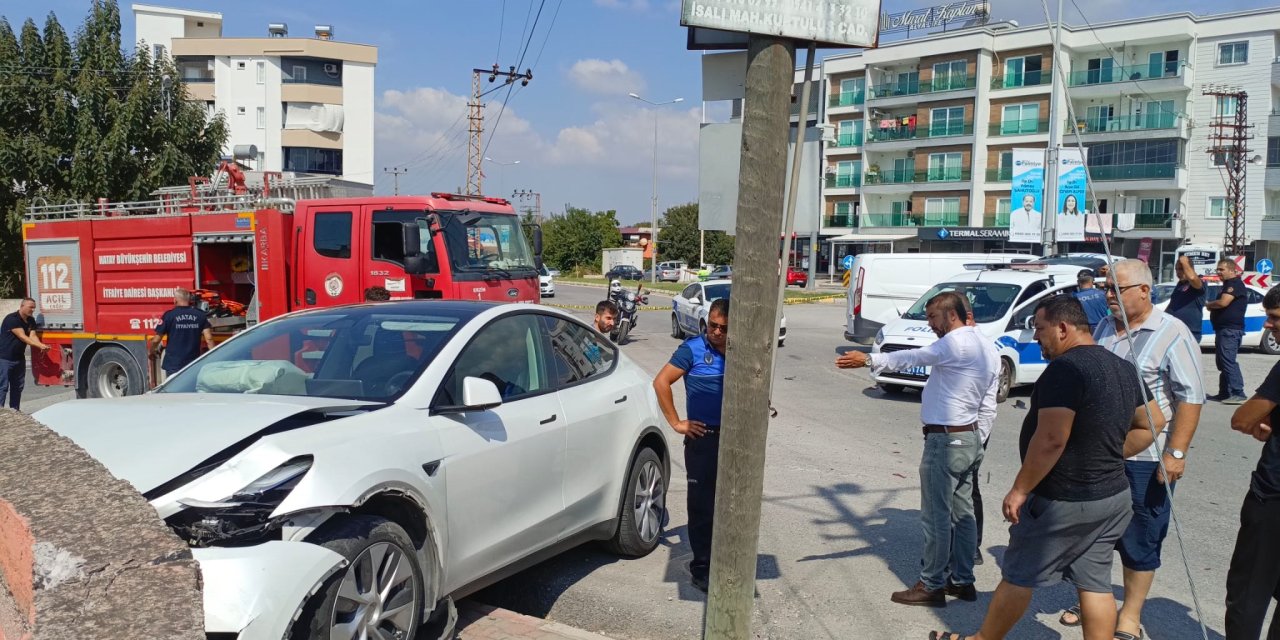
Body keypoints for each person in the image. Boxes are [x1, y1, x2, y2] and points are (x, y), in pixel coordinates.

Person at [928, 296, 1164, 640]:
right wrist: (1107, 454)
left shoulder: (1066, 369)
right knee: (1095, 582)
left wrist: (1020, 489)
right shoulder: (1123, 366)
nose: (1036, 337)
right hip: (1112, 497)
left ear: (1063, 328)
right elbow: (1153, 423)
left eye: (1040, 328)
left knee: (1019, 573)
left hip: (1064, 500)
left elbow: (1051, 438)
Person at [1056, 259, 1205, 638]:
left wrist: (1176, 454)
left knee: (1142, 535)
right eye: (1106, 288)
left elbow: (1190, 397)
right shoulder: (1105, 327)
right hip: (1099, 455)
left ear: (1143, 290)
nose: (1107, 296)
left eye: (1114, 289)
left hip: (1145, 456)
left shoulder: (1172, 332)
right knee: (1094, 533)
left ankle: (1130, 615)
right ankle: (1094, 599)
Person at [837, 292, 998, 606]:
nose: (930, 325)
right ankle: (962, 581)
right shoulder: (988, 347)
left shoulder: (955, 343)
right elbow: (989, 405)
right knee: (962, 514)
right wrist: (978, 440)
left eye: (932, 318)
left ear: (950, 315)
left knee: (937, 517)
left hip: (946, 441)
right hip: (968, 437)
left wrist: (869, 359)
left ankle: (932, 584)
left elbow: (916, 356)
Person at [653, 298, 730, 593]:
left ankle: (728, 561)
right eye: (713, 326)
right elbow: (661, 382)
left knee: (732, 505)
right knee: (702, 508)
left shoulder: (740, 350)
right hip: (703, 439)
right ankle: (702, 566)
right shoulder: (693, 349)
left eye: (724, 328)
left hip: (735, 440)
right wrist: (677, 423)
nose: (717, 332)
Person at [1225, 285, 1280, 638]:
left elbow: (1242, 419)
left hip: (1273, 498)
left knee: (1249, 591)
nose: (1269, 327)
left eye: (1275, 319)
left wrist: (1265, 423)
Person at [1207, 259, 1248, 404]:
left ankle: (1238, 392)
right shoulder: (1227, 285)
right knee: (1222, 362)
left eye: (1221, 269)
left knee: (1228, 361)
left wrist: (1209, 305)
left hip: (1230, 330)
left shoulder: (1234, 284)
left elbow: (1223, 302)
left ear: (1231, 270)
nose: (1218, 272)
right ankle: (1224, 392)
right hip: (1223, 329)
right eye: (1217, 269)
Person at [150, 288, 213, 380]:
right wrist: (214, 356)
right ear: (189, 300)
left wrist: (151, 351)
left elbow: (156, 339)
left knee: (174, 391)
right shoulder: (200, 315)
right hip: (193, 363)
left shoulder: (169, 315)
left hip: (174, 365)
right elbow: (209, 339)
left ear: (175, 300)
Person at [0, 298, 50, 411]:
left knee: (17, 387)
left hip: (19, 359)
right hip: (4, 358)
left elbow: (32, 336)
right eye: (30, 307)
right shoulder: (12, 319)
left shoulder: (31, 320)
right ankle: (1, 412)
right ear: (22, 306)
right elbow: (23, 337)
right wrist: (40, 346)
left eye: (34, 308)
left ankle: (15, 411)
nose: (32, 310)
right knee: (2, 386)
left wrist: (41, 345)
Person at [1166, 255, 1205, 343]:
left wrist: (1184, 262)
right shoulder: (1180, 284)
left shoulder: (1199, 281)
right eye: (1176, 269)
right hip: (1174, 330)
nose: (1178, 272)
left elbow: (1192, 277)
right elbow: (1172, 304)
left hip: (1189, 331)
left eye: (1181, 269)